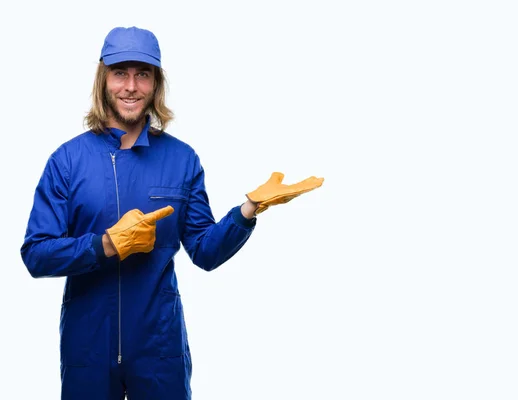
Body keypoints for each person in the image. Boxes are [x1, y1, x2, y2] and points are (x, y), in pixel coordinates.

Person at [20, 26, 323, 400]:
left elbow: (205, 252)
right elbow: (36, 254)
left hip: (159, 350)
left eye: (142, 74)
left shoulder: (182, 160)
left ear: (155, 84)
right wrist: (105, 245)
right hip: (88, 349)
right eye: (120, 73)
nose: (130, 86)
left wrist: (247, 210)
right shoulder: (67, 161)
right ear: (103, 80)